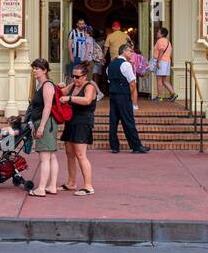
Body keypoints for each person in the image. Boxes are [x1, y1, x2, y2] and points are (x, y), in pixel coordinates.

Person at [60, 62, 97, 195]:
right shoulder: (73, 85)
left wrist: (69, 98)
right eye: (72, 76)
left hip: (83, 122)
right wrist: (59, 88)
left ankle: (88, 186)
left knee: (81, 154)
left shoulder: (89, 86)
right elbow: (60, 93)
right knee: (69, 154)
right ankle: (71, 183)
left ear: (84, 76)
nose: (74, 79)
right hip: (71, 122)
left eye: (77, 77)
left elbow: (87, 100)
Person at [106, 43, 150, 154]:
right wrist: (127, 94)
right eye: (130, 51)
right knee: (128, 120)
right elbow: (132, 83)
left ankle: (114, 147)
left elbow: (110, 80)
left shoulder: (110, 65)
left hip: (113, 95)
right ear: (124, 51)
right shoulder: (126, 65)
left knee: (113, 121)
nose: (132, 53)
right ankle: (136, 146)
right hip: (123, 96)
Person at [25, 57, 59, 196]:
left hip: (46, 123)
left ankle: (41, 188)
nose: (34, 71)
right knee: (51, 156)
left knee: (45, 157)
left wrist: (41, 126)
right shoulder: (42, 85)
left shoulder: (47, 85)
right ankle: (52, 186)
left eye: (37, 68)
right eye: (33, 68)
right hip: (46, 123)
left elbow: (48, 107)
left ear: (44, 70)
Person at [152, 27, 176, 102]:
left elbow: (161, 51)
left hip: (161, 61)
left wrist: (158, 62)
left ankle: (159, 97)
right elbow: (170, 53)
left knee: (159, 79)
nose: (157, 33)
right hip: (167, 61)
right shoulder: (168, 42)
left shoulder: (160, 41)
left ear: (162, 34)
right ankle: (173, 94)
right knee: (164, 80)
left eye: (158, 32)